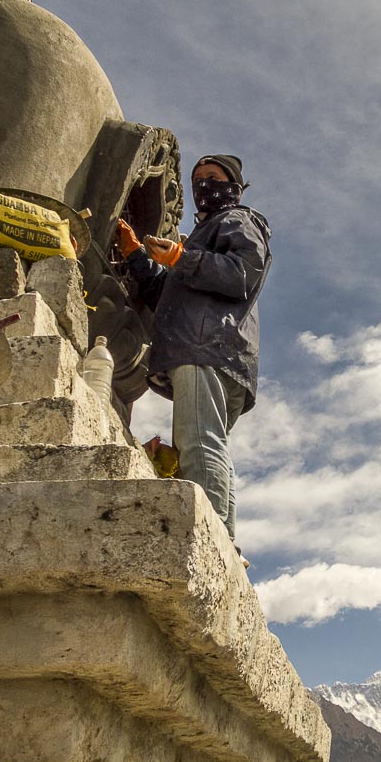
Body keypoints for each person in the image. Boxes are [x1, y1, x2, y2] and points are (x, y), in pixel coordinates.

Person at [116, 154, 271, 547]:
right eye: (198, 179)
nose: (203, 185)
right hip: (211, 349)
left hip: (210, 348)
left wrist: (182, 258)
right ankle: (224, 538)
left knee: (199, 441)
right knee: (207, 441)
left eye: (213, 178)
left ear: (234, 187)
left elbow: (240, 275)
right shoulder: (205, 237)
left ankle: (210, 534)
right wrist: (137, 257)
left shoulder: (237, 220)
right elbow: (166, 294)